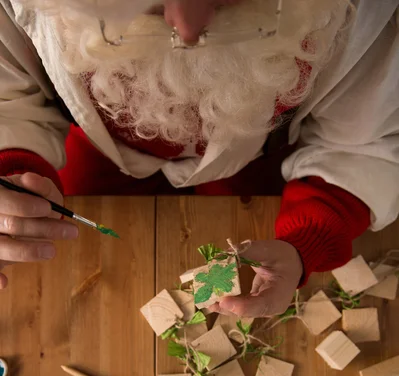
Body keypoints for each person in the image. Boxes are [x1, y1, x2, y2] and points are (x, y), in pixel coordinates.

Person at [0, 0, 398, 317]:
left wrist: (308, 239)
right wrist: (8, 169)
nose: (187, 30)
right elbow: (8, 96)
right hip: (85, 145)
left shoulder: (362, 8)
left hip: (260, 157)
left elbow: (361, 143)